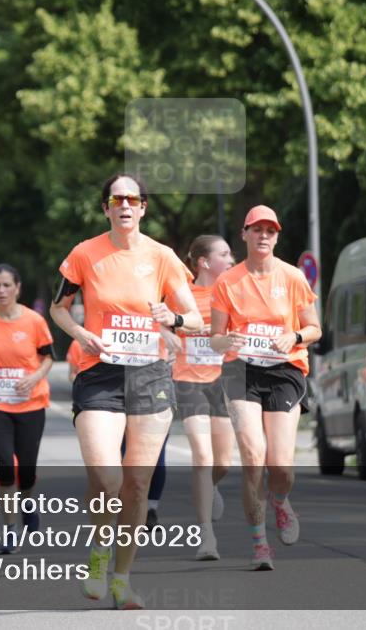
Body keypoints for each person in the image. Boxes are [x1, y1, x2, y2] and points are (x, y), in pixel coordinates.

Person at [50, 173, 202, 610]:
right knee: (107, 477)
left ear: (143, 207)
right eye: (117, 199)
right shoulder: (85, 253)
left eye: (133, 199)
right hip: (99, 373)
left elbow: (194, 319)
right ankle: (99, 554)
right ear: (106, 208)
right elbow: (60, 309)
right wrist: (80, 334)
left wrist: (170, 317)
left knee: (136, 485)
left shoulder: (162, 257)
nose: (125, 205)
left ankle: (122, 577)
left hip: (151, 375)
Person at [210, 205, 321, 571]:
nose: (263, 236)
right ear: (244, 235)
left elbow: (315, 329)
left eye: (269, 230)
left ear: (277, 236)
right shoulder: (228, 281)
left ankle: (281, 501)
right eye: (256, 229)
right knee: (253, 457)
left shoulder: (292, 278)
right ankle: (259, 544)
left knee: (281, 467)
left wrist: (294, 335)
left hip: (284, 370)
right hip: (241, 370)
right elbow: (215, 339)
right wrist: (226, 342)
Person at [0, 264, 54, 553]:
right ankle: (11, 529)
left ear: (17, 288)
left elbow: (49, 358)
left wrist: (35, 377)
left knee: (26, 470)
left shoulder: (34, 320)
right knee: (5, 465)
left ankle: (28, 501)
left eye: (6, 285)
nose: (1, 291)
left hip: (31, 401)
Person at [160, 234, 237, 560]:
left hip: (222, 381)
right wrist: (167, 334)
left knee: (222, 462)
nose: (232, 259)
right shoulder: (183, 294)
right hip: (188, 380)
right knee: (202, 457)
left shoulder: (233, 294)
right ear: (204, 262)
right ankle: (206, 536)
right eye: (225, 253)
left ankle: (213, 486)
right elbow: (153, 320)